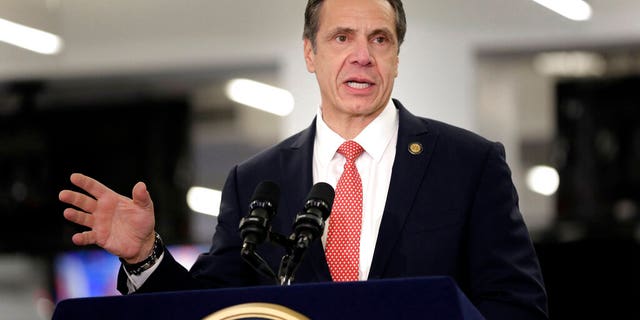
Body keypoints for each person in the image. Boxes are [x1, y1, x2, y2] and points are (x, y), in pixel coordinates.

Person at [59, 0, 548, 318]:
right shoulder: (255, 180)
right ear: (310, 52)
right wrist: (145, 256)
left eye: (379, 39)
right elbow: (211, 310)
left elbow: (518, 307)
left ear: (397, 57)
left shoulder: (468, 164)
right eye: (342, 38)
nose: (362, 55)